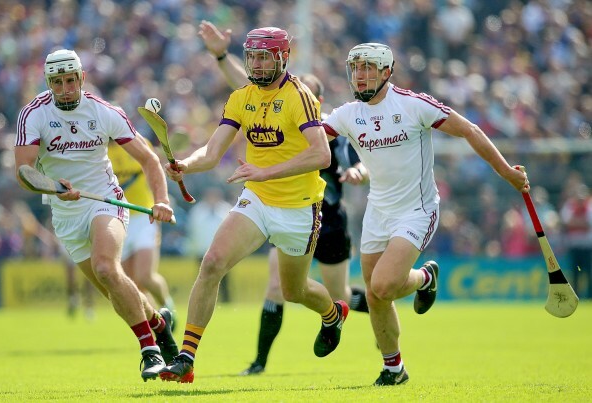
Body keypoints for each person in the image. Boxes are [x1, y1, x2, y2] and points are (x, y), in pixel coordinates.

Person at [322, 43, 529, 386]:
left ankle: (425, 279)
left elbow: (469, 131)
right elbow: (310, 140)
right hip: (377, 210)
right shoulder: (346, 114)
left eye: (369, 69)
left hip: (416, 210)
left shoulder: (413, 105)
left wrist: (506, 171)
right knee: (375, 295)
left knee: (383, 285)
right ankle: (393, 369)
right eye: (356, 69)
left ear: (387, 72)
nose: (360, 76)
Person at [160, 27, 349, 383]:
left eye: (264, 56)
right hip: (258, 201)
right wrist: (187, 163)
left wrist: (266, 171)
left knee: (295, 291)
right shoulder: (241, 97)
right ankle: (186, 357)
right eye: (253, 57)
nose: (257, 64)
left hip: (299, 208)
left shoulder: (300, 96)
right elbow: (212, 152)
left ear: (282, 57)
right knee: (213, 262)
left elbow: (321, 153)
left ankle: (332, 314)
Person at [197, 20, 370, 377]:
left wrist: (357, 173)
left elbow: (356, 162)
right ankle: (259, 362)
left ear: (316, 99)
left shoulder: (329, 129)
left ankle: (379, 298)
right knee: (278, 287)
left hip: (324, 216)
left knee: (339, 292)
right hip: (274, 206)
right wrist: (220, 56)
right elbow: (244, 88)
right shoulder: (268, 101)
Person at [14, 49, 179, 381]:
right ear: (49, 83)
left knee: (107, 268)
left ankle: (149, 352)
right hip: (65, 213)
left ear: (81, 79)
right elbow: (23, 172)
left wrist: (162, 200)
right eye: (57, 83)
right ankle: (160, 325)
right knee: (116, 291)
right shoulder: (34, 114)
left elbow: (148, 159)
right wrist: (54, 187)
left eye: (70, 81)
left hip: (105, 200)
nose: (64, 89)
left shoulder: (104, 112)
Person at [108, 139, 178, 326]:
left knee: (145, 276)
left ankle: (167, 304)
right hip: (118, 219)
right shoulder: (99, 150)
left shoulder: (135, 142)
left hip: (144, 217)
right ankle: (160, 322)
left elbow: (153, 165)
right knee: (133, 284)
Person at [186, 186, 233, 302]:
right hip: (202, 251)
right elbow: (192, 230)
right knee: (203, 279)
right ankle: (202, 301)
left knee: (224, 280)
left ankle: (225, 302)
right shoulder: (197, 211)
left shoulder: (227, 209)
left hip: (223, 251)